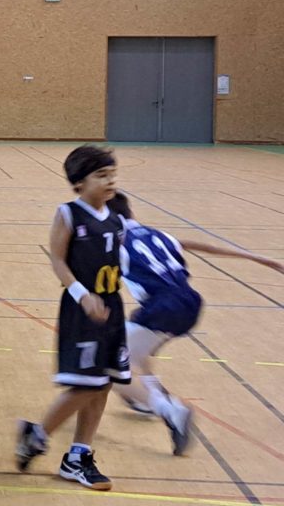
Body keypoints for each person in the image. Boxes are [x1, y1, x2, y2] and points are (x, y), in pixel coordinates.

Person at [106, 191, 284, 455]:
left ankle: (169, 409)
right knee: (137, 339)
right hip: (189, 302)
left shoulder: (115, 242)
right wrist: (258, 258)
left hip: (162, 306)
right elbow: (204, 246)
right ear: (131, 212)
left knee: (109, 365)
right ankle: (150, 395)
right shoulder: (159, 235)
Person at [16, 145, 129, 491]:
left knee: (104, 382)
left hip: (112, 307)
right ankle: (37, 435)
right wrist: (83, 295)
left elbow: (128, 255)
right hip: (82, 308)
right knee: (85, 384)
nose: (110, 181)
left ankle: (78, 456)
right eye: (101, 175)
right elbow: (58, 260)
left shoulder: (118, 215)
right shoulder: (68, 214)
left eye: (112, 174)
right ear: (79, 182)